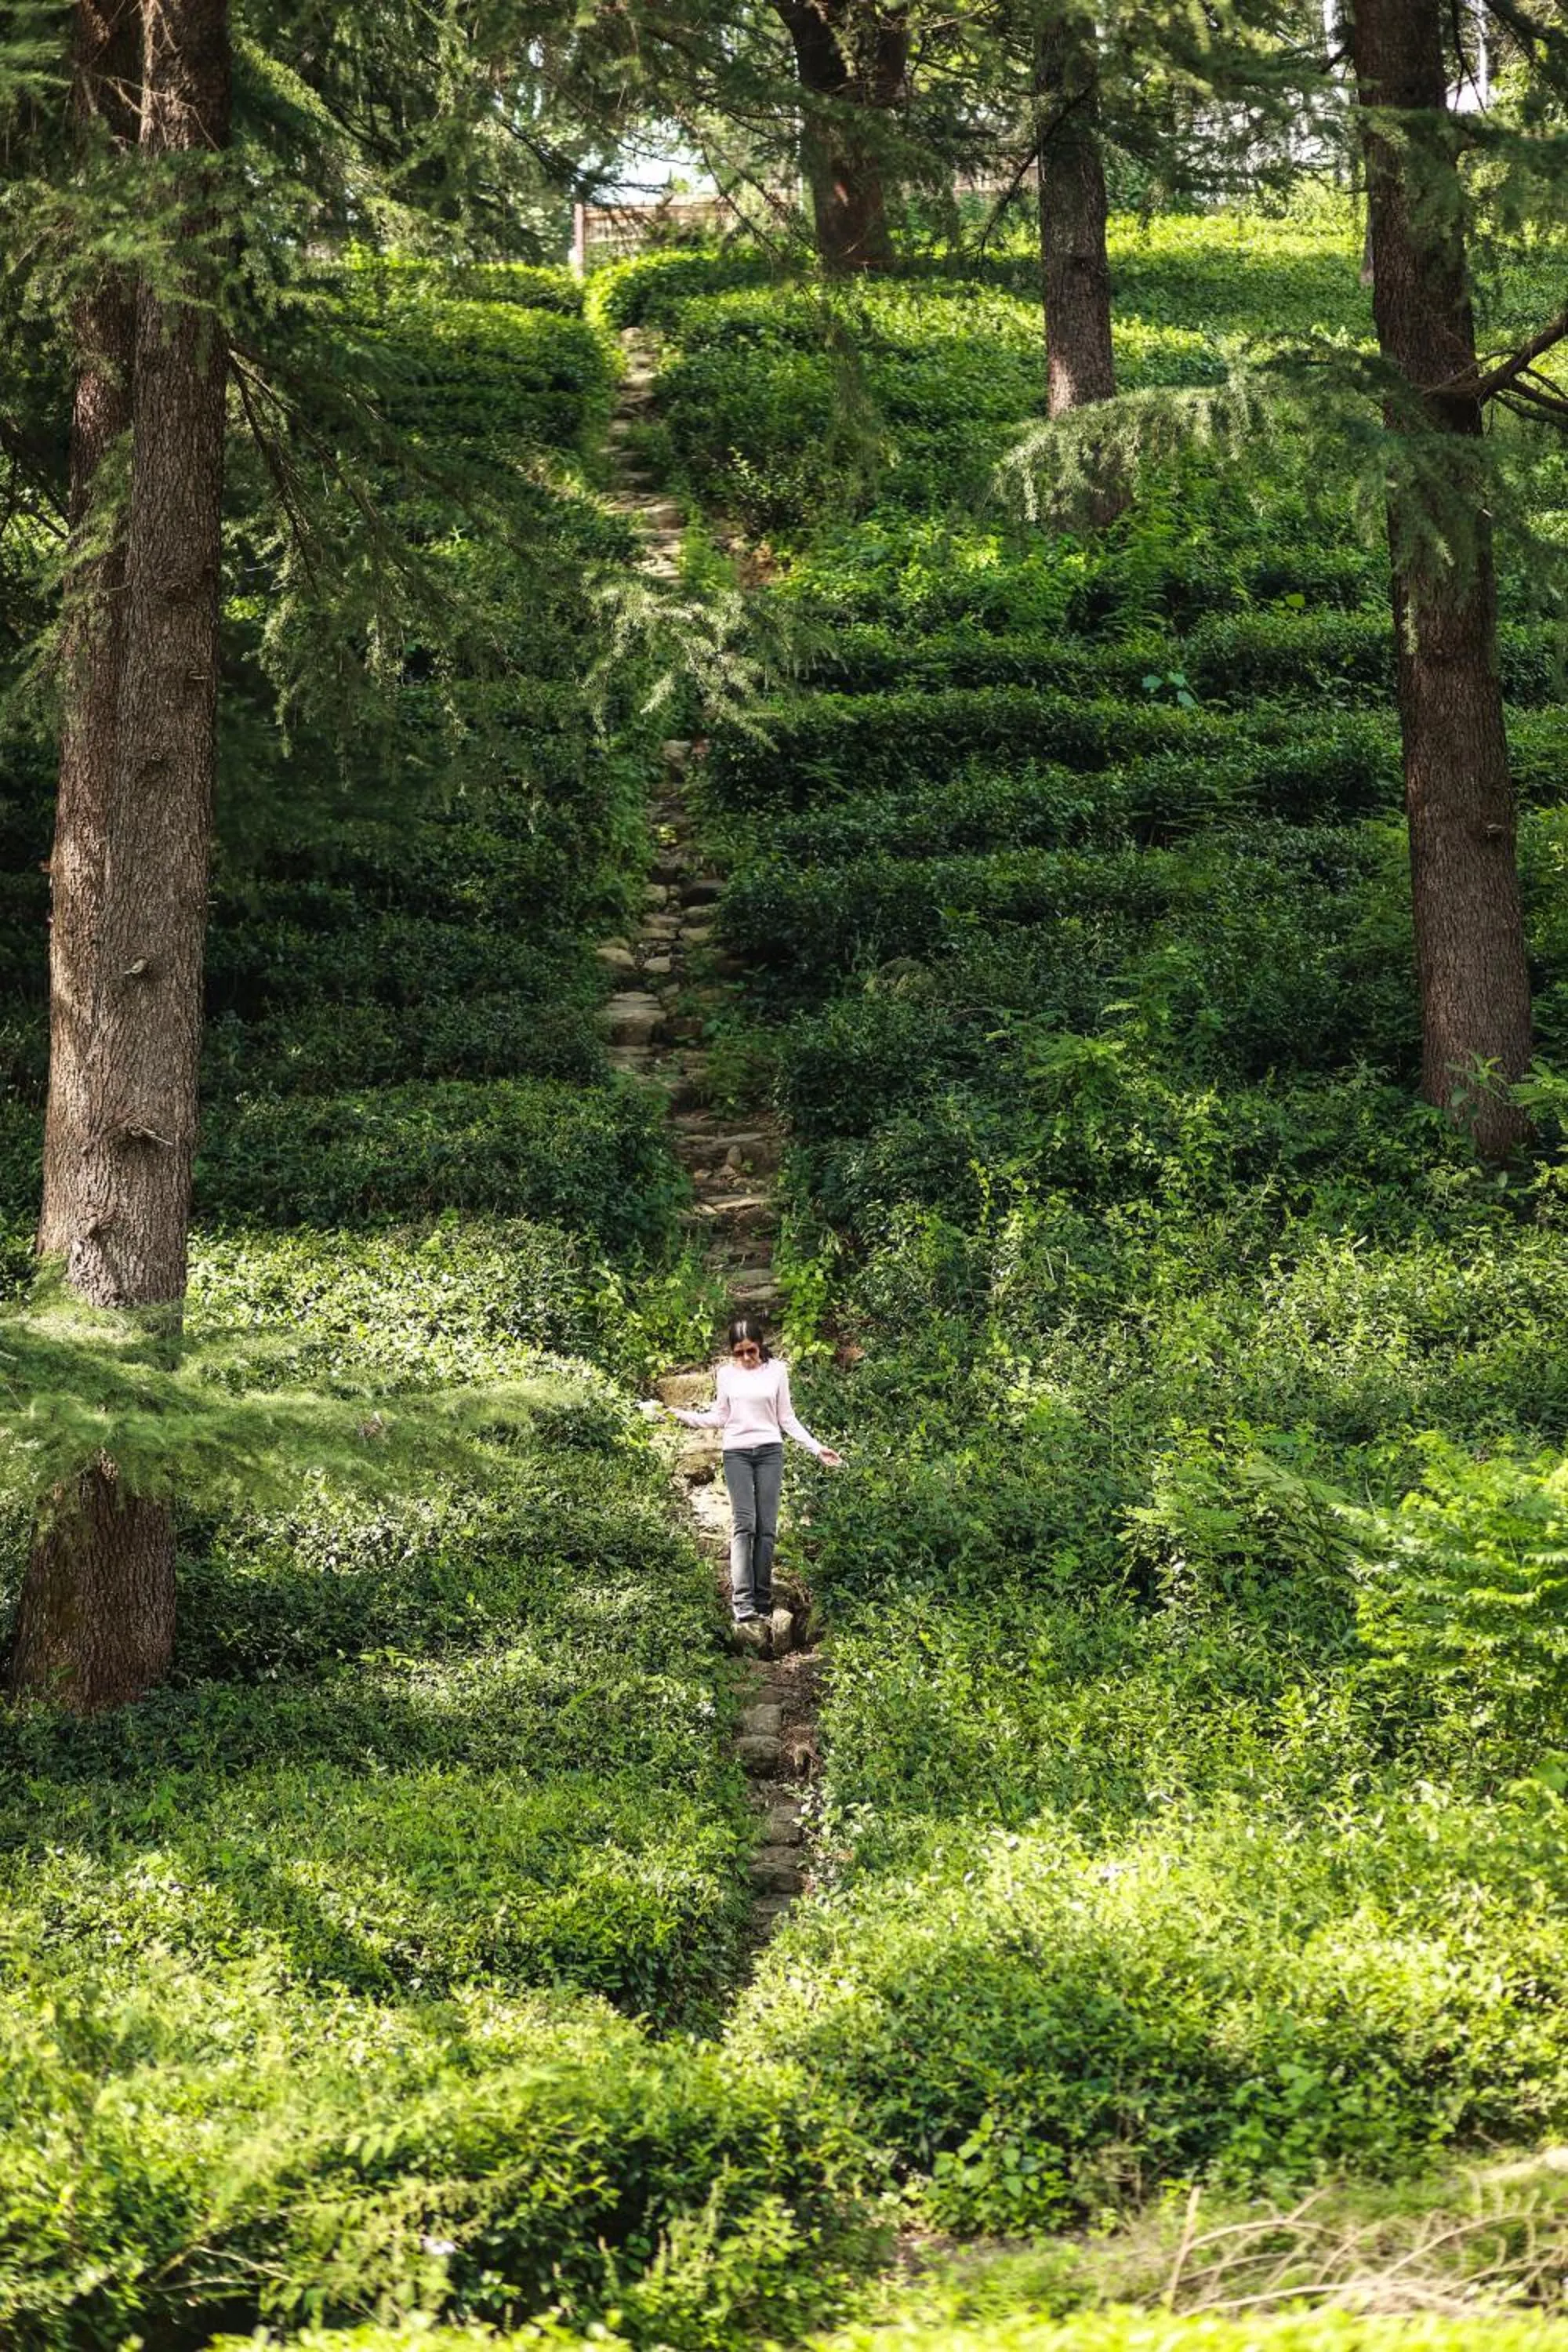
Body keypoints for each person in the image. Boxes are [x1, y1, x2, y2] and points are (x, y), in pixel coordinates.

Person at [657, 1315, 842, 1636]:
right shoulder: (726, 1374)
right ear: (732, 1352)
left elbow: (787, 1418)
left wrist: (817, 1448)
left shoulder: (777, 1371)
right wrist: (682, 1416)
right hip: (737, 1454)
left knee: (767, 1527)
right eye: (739, 1352)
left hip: (770, 1451)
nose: (746, 1358)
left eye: (751, 1351)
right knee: (745, 1524)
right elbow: (721, 1415)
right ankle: (742, 1603)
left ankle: (762, 1597)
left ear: (761, 1346)